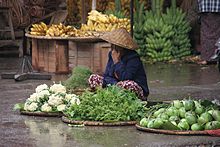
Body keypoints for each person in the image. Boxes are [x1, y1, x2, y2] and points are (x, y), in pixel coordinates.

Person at [88, 28, 149, 100]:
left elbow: (126, 77)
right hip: (115, 86)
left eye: (115, 46)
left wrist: (117, 62)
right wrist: (115, 85)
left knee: (127, 85)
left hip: (134, 88)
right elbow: (107, 75)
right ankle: (109, 95)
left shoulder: (133, 57)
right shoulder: (112, 54)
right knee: (93, 78)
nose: (112, 48)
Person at [198, 0, 220, 64]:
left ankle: (207, 58)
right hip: (217, 6)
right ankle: (216, 57)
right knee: (217, 32)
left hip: (205, 6)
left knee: (205, 32)